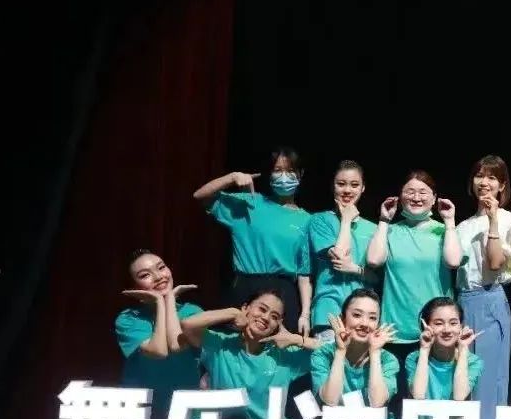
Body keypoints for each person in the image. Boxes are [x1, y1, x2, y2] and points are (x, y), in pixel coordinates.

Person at [175, 289, 324, 419]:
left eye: (274, 317)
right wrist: (232, 313)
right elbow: (187, 324)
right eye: (262, 309)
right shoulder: (220, 344)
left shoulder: (284, 355)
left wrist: (297, 339)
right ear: (246, 308)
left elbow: (335, 349)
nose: (266, 318)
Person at [193, 147, 311, 334]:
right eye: (278, 170)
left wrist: (305, 313)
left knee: (279, 348)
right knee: (234, 343)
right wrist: (232, 177)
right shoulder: (249, 203)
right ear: (269, 174)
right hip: (246, 286)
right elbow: (200, 195)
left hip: (284, 291)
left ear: (300, 174)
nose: (284, 177)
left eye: (290, 171)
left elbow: (304, 274)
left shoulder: (307, 220)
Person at [455, 155, 511, 419]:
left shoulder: (507, 219)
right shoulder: (462, 225)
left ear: (502, 185)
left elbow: (495, 264)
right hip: (462, 303)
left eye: (492, 177)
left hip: (490, 298)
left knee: (490, 388)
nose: (485, 182)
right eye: (479, 175)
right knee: (463, 386)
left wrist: (493, 220)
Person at [114, 249, 202, 419]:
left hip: (186, 416)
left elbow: (176, 344)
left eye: (161, 267)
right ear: (134, 287)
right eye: (145, 275)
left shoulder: (192, 312)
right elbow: (159, 350)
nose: (158, 276)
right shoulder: (128, 319)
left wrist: (168, 300)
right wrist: (161, 303)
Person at [366, 171, 461, 375]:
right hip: (395, 331)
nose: (416, 197)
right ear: (400, 197)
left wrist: (450, 222)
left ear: (434, 198)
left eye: (423, 192)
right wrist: (384, 220)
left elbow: (453, 261)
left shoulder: (444, 231)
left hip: (436, 331)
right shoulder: (389, 231)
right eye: (410, 192)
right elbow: (374, 260)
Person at [311, 288, 399, 419]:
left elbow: (377, 402)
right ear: (343, 319)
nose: (364, 324)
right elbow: (330, 400)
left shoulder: (387, 359)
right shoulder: (323, 354)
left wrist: (375, 352)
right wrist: (340, 351)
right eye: (357, 315)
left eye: (372, 318)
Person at [306, 161, 379, 342]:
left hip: (363, 313)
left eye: (354, 185)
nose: (347, 190)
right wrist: (346, 220)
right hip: (329, 310)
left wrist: (355, 269)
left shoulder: (373, 229)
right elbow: (340, 255)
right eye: (341, 184)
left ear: (362, 188)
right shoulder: (319, 220)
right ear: (333, 186)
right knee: (330, 359)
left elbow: (377, 278)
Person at [405, 298, 483, 401]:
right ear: (426, 326)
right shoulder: (414, 359)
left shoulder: (472, 362)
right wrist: (424, 349)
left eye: (453, 323)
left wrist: (463, 348)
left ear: (461, 326)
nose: (447, 330)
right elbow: (418, 395)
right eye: (439, 323)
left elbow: (459, 396)